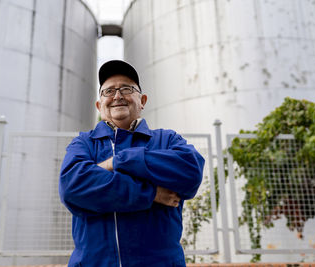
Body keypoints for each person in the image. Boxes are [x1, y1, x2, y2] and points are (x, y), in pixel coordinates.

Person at [59, 60, 205, 267]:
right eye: (108, 91)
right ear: (99, 105)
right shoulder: (84, 143)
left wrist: (118, 161)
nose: (117, 96)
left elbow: (191, 172)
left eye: (126, 88)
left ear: (142, 100)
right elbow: (73, 188)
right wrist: (151, 194)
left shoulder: (166, 140)